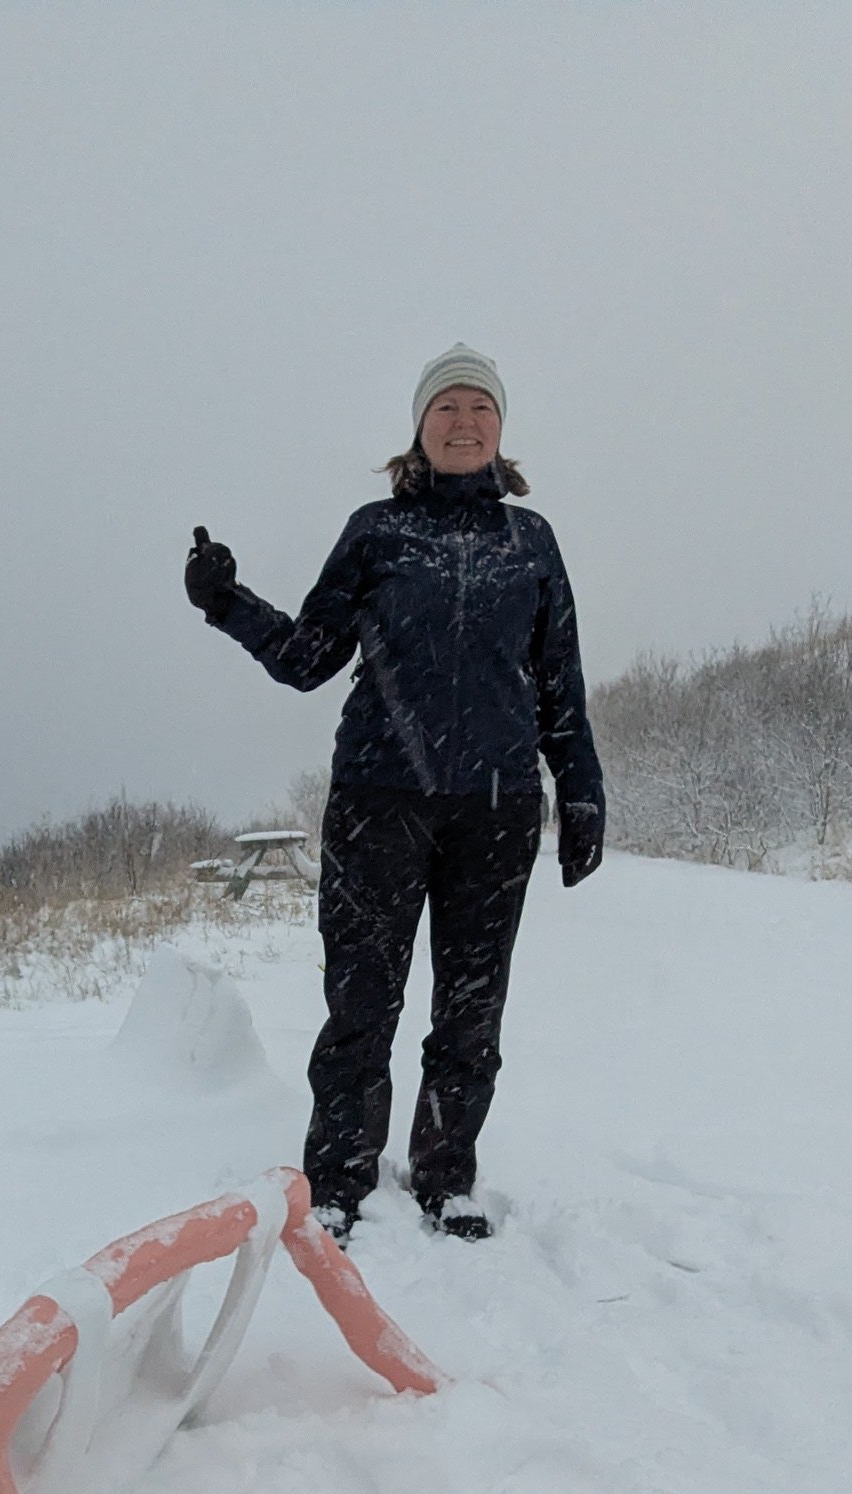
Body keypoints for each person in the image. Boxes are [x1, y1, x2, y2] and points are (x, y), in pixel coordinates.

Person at [184, 343, 603, 1242]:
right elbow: (308, 659)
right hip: (381, 797)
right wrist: (227, 602)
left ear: (501, 430)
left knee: (471, 1006)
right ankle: (336, 1178)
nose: (464, 423)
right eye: (447, 408)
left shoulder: (531, 543)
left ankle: (446, 1173)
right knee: (362, 999)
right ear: (419, 427)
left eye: (480, 410)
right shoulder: (376, 531)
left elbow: (560, 682)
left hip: (494, 809)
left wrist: (581, 794)